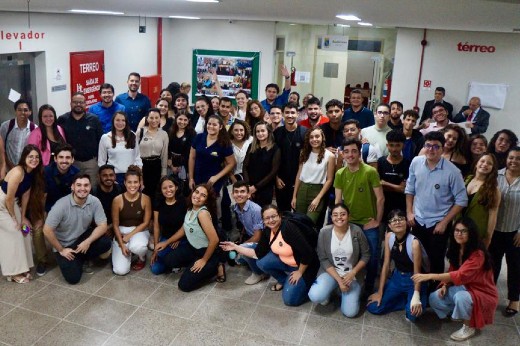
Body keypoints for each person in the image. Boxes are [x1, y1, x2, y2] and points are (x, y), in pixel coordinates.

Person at [412, 217, 498, 342]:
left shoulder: (478, 254)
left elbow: (460, 275)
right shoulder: (456, 249)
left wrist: (429, 276)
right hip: (464, 286)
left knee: (461, 297)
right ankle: (457, 312)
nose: (459, 234)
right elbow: (452, 272)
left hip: (481, 291)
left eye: (464, 231)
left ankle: (469, 326)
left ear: (471, 233)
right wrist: (446, 285)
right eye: (457, 230)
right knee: (434, 298)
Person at [220, 205, 320, 306]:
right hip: (286, 261)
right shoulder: (268, 231)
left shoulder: (289, 228)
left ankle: (308, 284)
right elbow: (256, 253)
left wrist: (300, 272)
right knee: (261, 262)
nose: (271, 220)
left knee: (290, 300)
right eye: (267, 218)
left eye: (274, 216)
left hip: (303, 265)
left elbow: (307, 252)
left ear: (280, 216)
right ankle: (284, 280)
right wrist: (235, 247)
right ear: (263, 220)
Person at [405, 131, 468, 287]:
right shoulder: (416, 162)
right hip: (418, 220)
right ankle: (418, 288)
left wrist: (445, 222)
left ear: (442, 148)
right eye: (428, 145)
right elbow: (409, 189)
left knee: (436, 259)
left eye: (435, 146)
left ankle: (434, 291)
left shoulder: (452, 171)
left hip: (438, 224)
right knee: (417, 256)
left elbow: (462, 200)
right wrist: (409, 212)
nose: (431, 149)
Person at [334, 138, 384, 293]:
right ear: (342, 153)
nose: (350, 155)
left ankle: (369, 287)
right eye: (346, 151)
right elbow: (338, 201)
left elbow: (380, 198)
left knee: (372, 256)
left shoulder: (370, 171)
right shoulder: (340, 173)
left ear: (359, 152)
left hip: (368, 222)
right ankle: (349, 281)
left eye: (354, 151)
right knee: (349, 254)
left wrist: (377, 221)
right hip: (349, 222)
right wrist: (338, 221)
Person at [43, 173, 111, 284]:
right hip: (65, 244)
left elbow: (102, 226)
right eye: (79, 185)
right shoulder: (61, 205)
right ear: (72, 187)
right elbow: (47, 230)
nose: (82, 189)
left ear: (90, 187)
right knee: (73, 278)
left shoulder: (94, 201)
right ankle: (78, 258)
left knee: (105, 243)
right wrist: (61, 250)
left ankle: (82, 257)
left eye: (86, 185)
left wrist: (88, 241)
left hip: (82, 237)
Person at [308, 203, 370, 317]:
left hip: (351, 274)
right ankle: (332, 287)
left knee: (350, 313)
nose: (339, 218)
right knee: (315, 296)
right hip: (331, 272)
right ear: (331, 217)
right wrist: (339, 280)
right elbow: (323, 258)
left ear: (349, 216)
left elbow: (366, 255)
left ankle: (340, 290)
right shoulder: (324, 232)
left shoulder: (356, 231)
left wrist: (353, 273)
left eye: (343, 214)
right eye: (335, 215)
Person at [366, 209, 428, 322]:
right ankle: (403, 300)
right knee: (373, 307)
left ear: (406, 222)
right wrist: (379, 292)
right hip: (397, 278)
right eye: (393, 220)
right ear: (389, 225)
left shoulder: (414, 243)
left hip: (413, 280)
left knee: (412, 315)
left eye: (401, 219)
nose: (397, 222)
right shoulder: (390, 237)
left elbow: (417, 273)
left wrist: (416, 295)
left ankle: (414, 298)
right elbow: (385, 265)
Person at [158, 184, 220, 292]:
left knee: (184, 285)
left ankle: (216, 269)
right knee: (169, 260)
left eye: (203, 195)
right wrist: (166, 242)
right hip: (192, 248)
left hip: (206, 253)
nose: (198, 196)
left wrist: (204, 260)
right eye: (196, 192)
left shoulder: (202, 213)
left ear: (206, 200)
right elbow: (183, 229)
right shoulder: (190, 208)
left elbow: (214, 240)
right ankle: (194, 264)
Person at [0, 145, 44, 284]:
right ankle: (13, 273)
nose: (34, 159)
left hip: (12, 205)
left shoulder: (31, 173)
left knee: (25, 231)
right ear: (24, 157)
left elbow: (25, 195)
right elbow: (9, 198)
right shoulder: (18, 171)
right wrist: (14, 219)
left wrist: (23, 217)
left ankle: (23, 266)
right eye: (31, 156)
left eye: (37, 157)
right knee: (14, 233)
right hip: (2, 204)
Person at [489, 147, 520, 316]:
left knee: (515, 267)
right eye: (511, 158)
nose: (514, 161)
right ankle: (490, 297)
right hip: (495, 230)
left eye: (518, 159)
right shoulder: (496, 176)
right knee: (493, 266)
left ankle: (514, 300)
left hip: (515, 233)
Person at [111, 166, 152, 275]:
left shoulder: (146, 199)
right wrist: (122, 243)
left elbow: (146, 223)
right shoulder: (117, 200)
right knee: (120, 271)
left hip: (139, 230)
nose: (132, 185)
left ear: (139, 183)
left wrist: (129, 236)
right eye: (129, 182)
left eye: (135, 182)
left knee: (138, 246)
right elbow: (115, 225)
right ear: (124, 183)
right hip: (121, 232)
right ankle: (126, 250)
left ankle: (141, 257)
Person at [58, 92, 103, 186]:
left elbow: (101, 141)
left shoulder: (94, 119)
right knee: (72, 189)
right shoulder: (62, 119)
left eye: (81, 102)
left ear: (85, 104)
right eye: (75, 102)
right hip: (71, 164)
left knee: (92, 189)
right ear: (70, 103)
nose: (78, 104)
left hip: (91, 163)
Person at [291, 127, 335, 224]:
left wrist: (318, 198)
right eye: (311, 137)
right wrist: (294, 196)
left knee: (309, 223)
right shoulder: (304, 153)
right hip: (302, 189)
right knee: (298, 223)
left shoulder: (329, 156)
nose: (314, 139)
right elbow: (299, 175)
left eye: (317, 136)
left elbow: (329, 180)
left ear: (322, 138)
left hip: (317, 191)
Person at [229, 181, 267, 284]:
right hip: (251, 236)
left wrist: (239, 247)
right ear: (232, 195)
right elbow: (245, 226)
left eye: (242, 191)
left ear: (249, 194)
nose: (239, 194)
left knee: (243, 250)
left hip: (264, 241)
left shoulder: (255, 210)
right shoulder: (236, 208)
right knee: (237, 258)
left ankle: (258, 273)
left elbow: (258, 237)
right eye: (236, 192)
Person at [189, 115, 235, 196]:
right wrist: (191, 178)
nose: (211, 126)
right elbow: (192, 158)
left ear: (220, 127)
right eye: (209, 124)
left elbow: (231, 163)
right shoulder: (199, 137)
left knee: (212, 206)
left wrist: (216, 177)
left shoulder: (224, 143)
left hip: (213, 182)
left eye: (214, 125)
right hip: (197, 179)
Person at [274, 103, 308, 212]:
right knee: (283, 212)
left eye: (293, 112)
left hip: (301, 179)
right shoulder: (277, 133)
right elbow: (272, 159)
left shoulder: (304, 132)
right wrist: (276, 178)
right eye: (287, 112)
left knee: (299, 213)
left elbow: (308, 158)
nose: (290, 115)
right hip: (282, 181)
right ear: (283, 114)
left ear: (297, 114)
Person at [460, 153, 500, 245]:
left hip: (477, 231)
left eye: (489, 163)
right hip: (459, 229)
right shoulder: (467, 179)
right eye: (482, 161)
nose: (485, 164)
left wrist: (488, 237)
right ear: (476, 163)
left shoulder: (493, 189)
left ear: (492, 168)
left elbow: (493, 214)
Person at [150, 176, 188, 275]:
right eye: (164, 188)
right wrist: (155, 249)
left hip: (183, 239)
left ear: (176, 187)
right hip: (166, 238)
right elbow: (156, 227)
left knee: (167, 255)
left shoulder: (184, 202)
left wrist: (177, 240)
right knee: (156, 269)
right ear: (161, 190)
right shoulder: (158, 203)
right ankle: (172, 260)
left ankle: (176, 259)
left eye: (171, 186)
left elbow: (186, 226)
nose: (168, 190)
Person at [98, 111, 142, 186]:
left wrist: (140, 177)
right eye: (117, 120)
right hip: (114, 177)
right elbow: (101, 161)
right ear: (113, 121)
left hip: (131, 175)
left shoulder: (132, 135)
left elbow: (137, 158)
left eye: (123, 120)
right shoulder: (105, 138)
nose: (120, 123)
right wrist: (108, 178)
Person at [243, 121, 281, 207]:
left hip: (265, 188)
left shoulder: (275, 149)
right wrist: (248, 186)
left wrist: (255, 187)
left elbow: (273, 172)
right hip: (249, 187)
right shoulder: (251, 146)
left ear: (268, 132)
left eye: (263, 131)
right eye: (257, 131)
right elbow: (245, 167)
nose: (260, 133)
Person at [377, 130, 410, 222]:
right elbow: (378, 186)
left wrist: (385, 183)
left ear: (403, 145)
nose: (394, 149)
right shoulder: (380, 162)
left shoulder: (408, 164)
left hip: (401, 208)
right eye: (391, 145)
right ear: (387, 145)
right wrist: (396, 187)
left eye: (397, 145)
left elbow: (403, 189)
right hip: (382, 207)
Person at [137, 108, 169, 197]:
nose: (154, 120)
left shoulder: (164, 134)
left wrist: (164, 172)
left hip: (156, 165)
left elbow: (164, 154)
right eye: (151, 118)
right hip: (142, 166)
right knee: (143, 192)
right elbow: (135, 153)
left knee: (156, 193)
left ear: (160, 118)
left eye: (156, 117)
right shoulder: (140, 132)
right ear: (147, 119)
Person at [0, 99, 37, 171]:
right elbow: (2, 149)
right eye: (19, 110)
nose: (22, 112)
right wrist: (10, 166)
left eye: (26, 110)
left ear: (30, 112)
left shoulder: (34, 129)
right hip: (8, 170)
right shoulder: (6, 126)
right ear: (15, 112)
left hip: (27, 170)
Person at [44, 144, 80, 213]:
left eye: (67, 157)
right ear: (55, 159)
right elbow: (41, 197)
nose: (64, 160)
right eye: (61, 157)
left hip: (70, 211)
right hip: (49, 210)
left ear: (72, 160)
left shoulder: (77, 174)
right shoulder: (46, 172)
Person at [168, 110, 195, 189]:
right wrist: (171, 164)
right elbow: (167, 148)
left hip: (183, 165)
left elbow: (189, 153)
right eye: (180, 119)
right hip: (170, 164)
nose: (182, 122)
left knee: (182, 188)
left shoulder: (191, 133)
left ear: (188, 121)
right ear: (176, 119)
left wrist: (179, 165)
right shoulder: (170, 131)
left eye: (185, 120)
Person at [95, 164, 123, 238]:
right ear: (99, 177)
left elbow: (124, 211)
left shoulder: (120, 190)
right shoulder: (94, 192)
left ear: (115, 176)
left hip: (117, 225)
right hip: (98, 226)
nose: (108, 178)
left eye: (111, 175)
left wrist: (111, 227)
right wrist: (103, 228)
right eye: (105, 175)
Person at [228, 119, 252, 184]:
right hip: (232, 178)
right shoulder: (227, 144)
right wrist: (235, 181)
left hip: (250, 177)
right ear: (231, 132)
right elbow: (225, 164)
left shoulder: (251, 141)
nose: (239, 133)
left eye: (241, 130)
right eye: (236, 130)